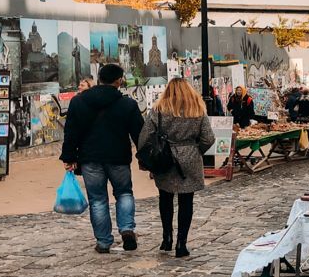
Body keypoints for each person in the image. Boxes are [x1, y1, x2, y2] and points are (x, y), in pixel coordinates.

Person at [60, 63, 145, 253]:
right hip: (118, 157)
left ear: (99, 79)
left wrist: (69, 156)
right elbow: (139, 133)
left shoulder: (78, 102)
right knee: (124, 193)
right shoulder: (127, 103)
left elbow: (71, 132)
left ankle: (104, 241)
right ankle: (126, 228)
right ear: (118, 80)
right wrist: (144, 156)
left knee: (98, 199)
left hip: (90, 158)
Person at [137, 78, 214, 258]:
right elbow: (208, 138)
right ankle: (182, 243)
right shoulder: (197, 109)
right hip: (190, 158)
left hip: (165, 157)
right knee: (187, 201)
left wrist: (147, 157)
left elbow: (144, 136)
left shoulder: (159, 109)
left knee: (165, 197)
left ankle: (167, 237)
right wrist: (196, 151)